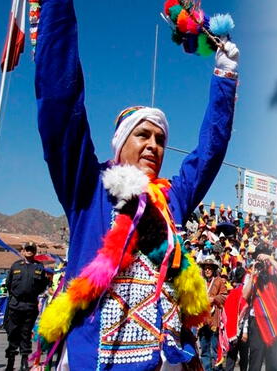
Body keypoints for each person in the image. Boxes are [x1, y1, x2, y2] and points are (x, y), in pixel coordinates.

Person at [34, 0, 240, 369]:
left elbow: (209, 153)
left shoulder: (172, 200)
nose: (153, 146)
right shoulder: (89, 190)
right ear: (120, 143)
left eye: (160, 140)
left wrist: (225, 76)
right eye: (143, 135)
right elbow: (61, 105)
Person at [4, 242, 49, 371]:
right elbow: (9, 284)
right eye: (27, 249)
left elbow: (42, 285)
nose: (29, 251)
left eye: (32, 250)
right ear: (23, 251)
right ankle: (10, 360)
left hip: (30, 305)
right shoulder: (16, 266)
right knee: (13, 333)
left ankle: (24, 360)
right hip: (16, 305)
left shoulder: (39, 267)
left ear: (35, 252)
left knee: (26, 333)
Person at [242, 246, 277, 371]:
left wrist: (270, 259)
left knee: (274, 360)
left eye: (263, 257)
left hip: (273, 321)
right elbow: (245, 295)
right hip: (256, 322)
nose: (262, 260)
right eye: (259, 257)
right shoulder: (251, 274)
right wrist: (252, 275)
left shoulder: (273, 272)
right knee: (256, 358)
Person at [198, 257, 228, 371]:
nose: (207, 271)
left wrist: (214, 299)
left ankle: (217, 369)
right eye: (205, 269)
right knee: (204, 349)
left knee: (215, 349)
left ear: (213, 270)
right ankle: (207, 369)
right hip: (202, 320)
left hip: (215, 319)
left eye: (209, 269)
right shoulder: (200, 282)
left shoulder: (219, 281)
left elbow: (225, 297)